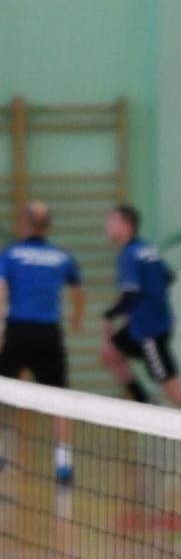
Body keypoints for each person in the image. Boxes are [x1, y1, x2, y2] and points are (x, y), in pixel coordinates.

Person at [100, 204, 181, 414]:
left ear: (126, 226)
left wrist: (109, 314)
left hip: (149, 332)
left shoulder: (129, 255)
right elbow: (169, 276)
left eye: (112, 221)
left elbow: (130, 296)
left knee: (174, 391)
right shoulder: (147, 249)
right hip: (145, 325)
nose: (106, 225)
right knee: (111, 353)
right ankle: (144, 402)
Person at [0, 201, 85, 481]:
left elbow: (1, 290)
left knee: (3, 391)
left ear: (24, 224)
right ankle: (63, 463)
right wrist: (77, 317)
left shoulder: (11, 254)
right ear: (48, 226)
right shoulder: (63, 257)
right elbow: (78, 291)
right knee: (59, 399)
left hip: (17, 332)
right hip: (49, 334)